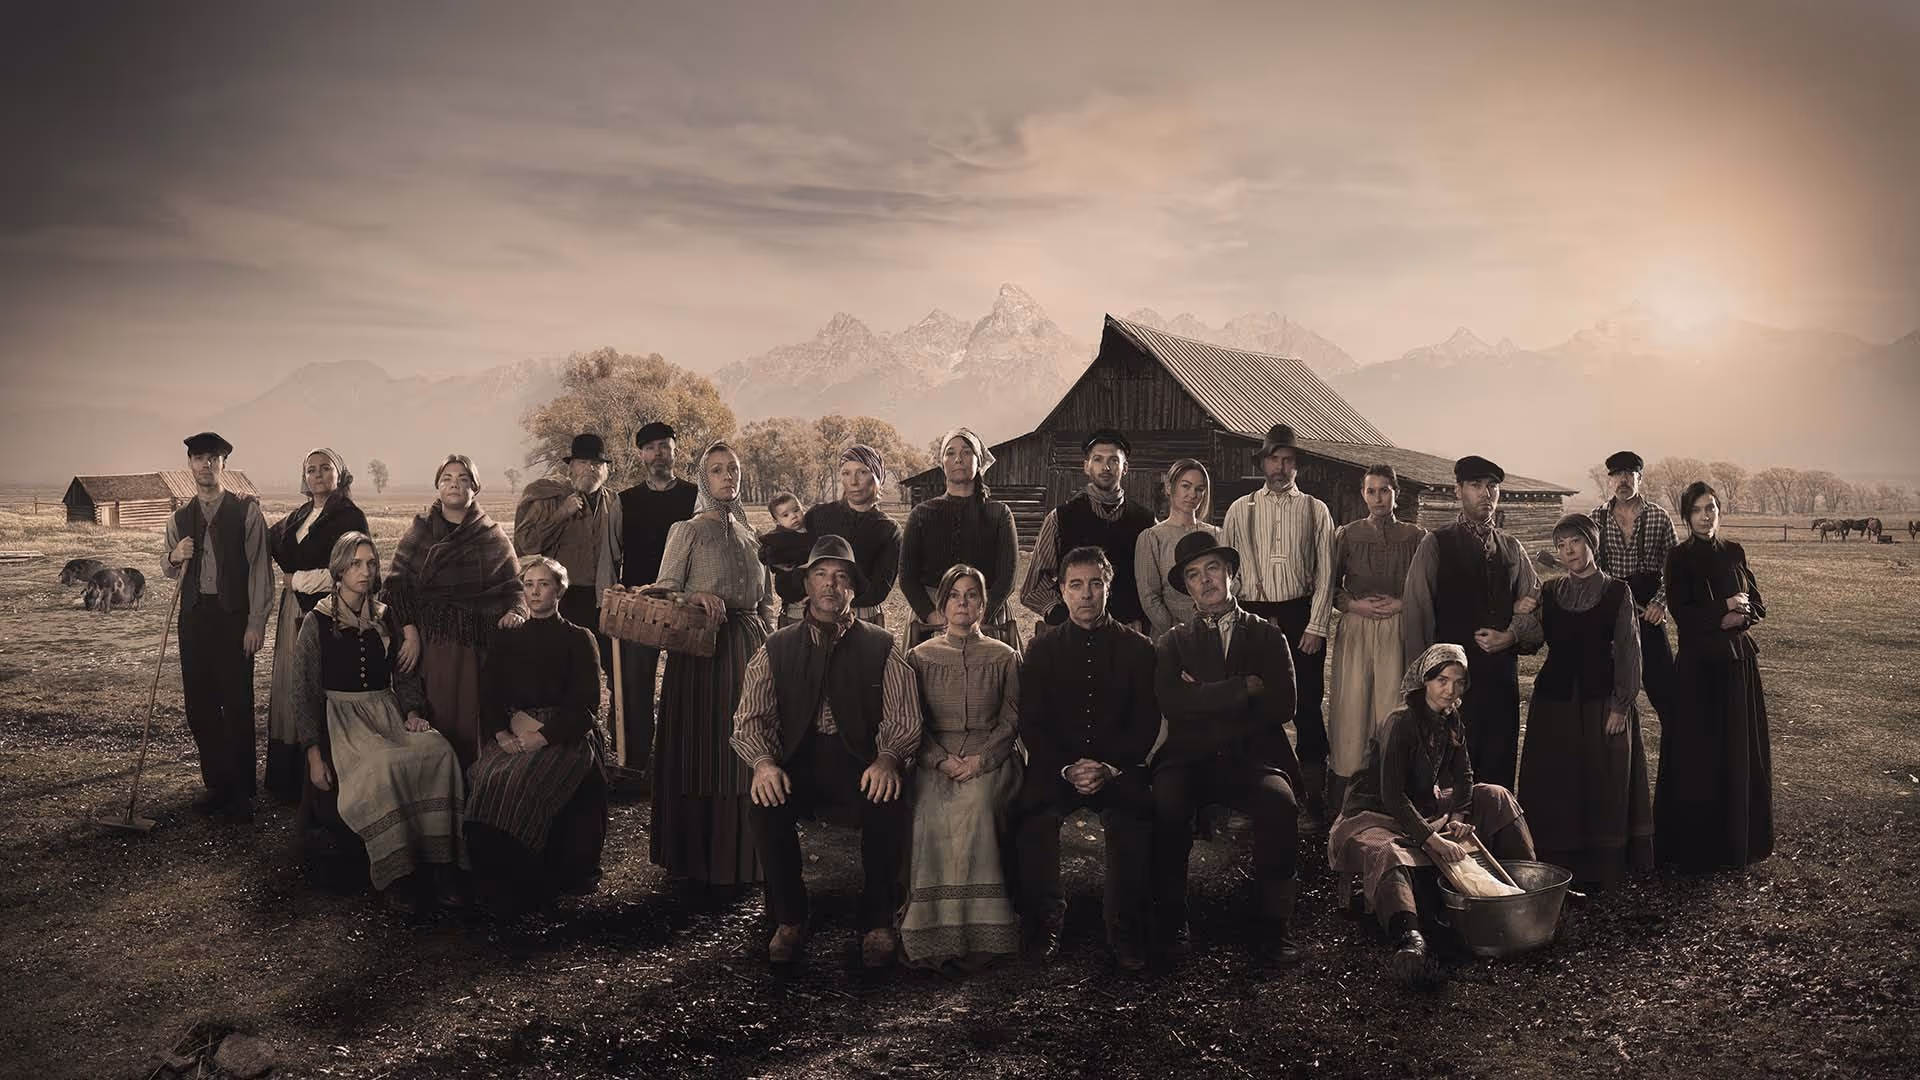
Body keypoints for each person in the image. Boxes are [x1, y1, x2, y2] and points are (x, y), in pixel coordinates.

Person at [731, 536, 922, 966]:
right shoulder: (776, 646)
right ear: (807, 585)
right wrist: (763, 764)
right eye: (820, 575)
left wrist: (888, 758)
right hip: (797, 760)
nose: (830, 585)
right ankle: (790, 917)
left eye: (840, 577)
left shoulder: (883, 646)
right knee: (764, 805)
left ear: (853, 588)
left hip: (860, 761)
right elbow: (750, 718)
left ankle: (877, 921)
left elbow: (904, 717)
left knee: (888, 799)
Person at [1328, 644, 1538, 987]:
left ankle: (1531, 889)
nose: (1450, 690)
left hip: (1425, 804)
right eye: (1442, 680)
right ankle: (1409, 937)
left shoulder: (1451, 719)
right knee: (1388, 851)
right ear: (1424, 681)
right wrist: (1435, 841)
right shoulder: (1400, 722)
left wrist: (1459, 816)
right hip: (1375, 813)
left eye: (1458, 682)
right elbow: (1392, 796)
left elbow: (1465, 776)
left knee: (1497, 795)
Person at [290, 532, 466, 912]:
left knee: (439, 750)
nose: (365, 571)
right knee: (382, 764)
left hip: (387, 711)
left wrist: (413, 713)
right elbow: (303, 693)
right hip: (344, 719)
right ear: (339, 570)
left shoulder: (385, 616)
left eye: (371, 563)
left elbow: (404, 676)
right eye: (355, 564)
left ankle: (442, 865)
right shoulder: (316, 622)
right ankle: (396, 874)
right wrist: (314, 755)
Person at [1151, 532, 1304, 963]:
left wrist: (1202, 694)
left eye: (1213, 569)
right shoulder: (1173, 642)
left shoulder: (1267, 636)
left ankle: (1273, 927)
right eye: (1193, 575)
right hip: (1188, 757)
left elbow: (1284, 704)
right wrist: (1241, 688)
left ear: (1230, 573)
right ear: (1186, 587)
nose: (1205, 581)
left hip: (1252, 758)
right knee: (1166, 804)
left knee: (1281, 805)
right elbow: (1172, 704)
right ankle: (1171, 922)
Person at [1009, 546, 1159, 971]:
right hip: (1058, 768)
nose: (1086, 594)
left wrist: (1108, 767)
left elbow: (1146, 721)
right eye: (1076, 585)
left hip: (1118, 767)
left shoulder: (1139, 648)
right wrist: (1068, 767)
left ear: (1109, 587)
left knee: (1132, 817)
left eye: (1096, 583)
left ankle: (1124, 926)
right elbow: (1032, 723)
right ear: (1062, 591)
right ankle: (1043, 921)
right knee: (1033, 816)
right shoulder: (1041, 649)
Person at [650, 441, 773, 890]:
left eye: (733, 469)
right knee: (702, 746)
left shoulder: (751, 535)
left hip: (750, 647)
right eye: (718, 470)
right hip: (700, 650)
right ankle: (695, 858)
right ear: (705, 478)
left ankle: (744, 857)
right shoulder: (687, 530)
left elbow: (766, 600)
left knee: (747, 742)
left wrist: (769, 642)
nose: (728, 477)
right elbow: (662, 591)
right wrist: (694, 596)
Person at [1515, 513, 1652, 889]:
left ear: (1591, 544)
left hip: (1600, 699)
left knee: (1600, 778)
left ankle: (1601, 865)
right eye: (1560, 545)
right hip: (1554, 700)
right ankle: (1555, 861)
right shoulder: (1549, 591)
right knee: (1556, 778)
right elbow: (1531, 642)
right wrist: (1521, 616)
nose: (1568, 551)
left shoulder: (1617, 592)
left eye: (1574, 541)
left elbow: (1629, 651)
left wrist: (1621, 705)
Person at [465, 556, 609, 913]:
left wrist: (543, 737)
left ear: (559, 590)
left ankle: (527, 880)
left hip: (564, 733)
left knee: (522, 781)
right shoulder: (509, 637)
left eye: (543, 584)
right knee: (485, 774)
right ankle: (492, 876)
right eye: (529, 585)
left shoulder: (578, 638)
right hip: (515, 729)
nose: (535, 592)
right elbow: (490, 693)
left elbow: (587, 705)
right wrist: (501, 733)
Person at [900, 564, 1023, 970]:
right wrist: (938, 758)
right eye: (954, 595)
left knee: (979, 805)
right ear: (942, 603)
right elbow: (911, 720)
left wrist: (982, 760)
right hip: (934, 756)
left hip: (990, 757)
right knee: (930, 807)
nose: (962, 603)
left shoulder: (1004, 656)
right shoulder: (919, 656)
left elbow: (1011, 719)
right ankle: (933, 930)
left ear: (983, 605)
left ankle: (984, 932)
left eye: (972, 595)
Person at [1401, 455, 1543, 791]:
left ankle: (1495, 825)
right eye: (1475, 485)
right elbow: (1417, 615)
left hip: (1500, 682)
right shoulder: (1436, 543)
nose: (1485, 493)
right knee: (1450, 775)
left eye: (1492, 486)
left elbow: (1536, 608)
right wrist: (1425, 688)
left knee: (1497, 772)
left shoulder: (1511, 548)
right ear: (1458, 491)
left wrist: (1511, 635)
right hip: (1452, 684)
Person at [1221, 424, 1337, 827]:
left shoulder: (1315, 510)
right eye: (1274, 459)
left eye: (1288, 460)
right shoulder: (1240, 509)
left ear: (1297, 465)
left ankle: (1311, 800)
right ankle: (1252, 797)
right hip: (1251, 615)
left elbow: (1327, 574)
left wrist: (1317, 626)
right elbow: (1228, 572)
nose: (1281, 467)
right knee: (1250, 706)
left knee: (1306, 706)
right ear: (1263, 463)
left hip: (1299, 615)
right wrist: (1232, 623)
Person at [381, 455, 528, 768]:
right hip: (429, 643)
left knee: (472, 722)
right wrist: (409, 632)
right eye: (447, 478)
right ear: (438, 486)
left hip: (474, 646)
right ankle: (436, 783)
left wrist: (517, 610)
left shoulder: (491, 535)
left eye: (463, 479)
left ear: (474, 487)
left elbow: (515, 587)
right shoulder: (420, 530)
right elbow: (396, 586)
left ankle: (474, 786)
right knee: (433, 720)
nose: (454, 484)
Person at [1658, 481, 1773, 871]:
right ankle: (1699, 844)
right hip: (1698, 668)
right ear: (1686, 516)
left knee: (1737, 749)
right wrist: (1723, 607)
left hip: (1738, 663)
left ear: (1719, 511)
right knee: (1701, 752)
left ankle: (1738, 839)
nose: (1706, 516)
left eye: (1711, 508)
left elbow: (1757, 604)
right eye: (1697, 510)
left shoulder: (1734, 551)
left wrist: (1739, 617)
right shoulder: (1678, 558)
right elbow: (1682, 614)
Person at [162, 431, 273, 821]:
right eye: (198, 458)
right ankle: (218, 785)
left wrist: (256, 622)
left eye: (213, 458)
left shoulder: (246, 512)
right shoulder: (179, 518)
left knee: (237, 704)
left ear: (223, 464)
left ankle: (242, 793)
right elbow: (168, 566)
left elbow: (260, 569)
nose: (205, 465)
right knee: (200, 706)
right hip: (194, 618)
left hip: (233, 618)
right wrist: (174, 556)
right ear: (190, 464)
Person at [265, 447, 369, 804]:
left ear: (339, 475)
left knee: (316, 683)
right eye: (311, 470)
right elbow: (269, 540)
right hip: (292, 610)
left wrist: (295, 581)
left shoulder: (349, 516)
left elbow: (348, 570)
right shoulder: (300, 515)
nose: (318, 475)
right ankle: (289, 778)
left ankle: (324, 774)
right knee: (293, 683)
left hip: (328, 612)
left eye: (325, 468)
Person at [600, 421, 699, 777]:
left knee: (687, 683)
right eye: (651, 447)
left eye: (665, 446)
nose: (659, 453)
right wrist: (608, 601)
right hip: (638, 604)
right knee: (635, 684)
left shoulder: (695, 496)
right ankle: (635, 763)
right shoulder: (625, 501)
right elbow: (610, 555)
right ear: (641, 454)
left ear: (675, 450)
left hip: (685, 602)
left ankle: (683, 760)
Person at [1325, 465, 1426, 813]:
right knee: (1351, 706)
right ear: (1363, 494)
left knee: (1391, 706)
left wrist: (1402, 603)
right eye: (1371, 491)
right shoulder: (1347, 535)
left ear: (1396, 494)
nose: (1378, 498)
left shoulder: (1415, 537)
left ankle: (1392, 798)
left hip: (1396, 626)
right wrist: (1354, 605)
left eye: (1385, 490)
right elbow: (1329, 586)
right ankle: (1348, 799)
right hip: (1356, 626)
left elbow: (1426, 585)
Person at [1019, 428, 1156, 635]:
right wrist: (1061, 615)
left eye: (1114, 460)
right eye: (1098, 459)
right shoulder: (1061, 518)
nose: (1106, 467)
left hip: (1130, 633)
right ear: (1086, 466)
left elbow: (1158, 582)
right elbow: (1033, 588)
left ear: (1125, 468)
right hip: (1075, 634)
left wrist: (1144, 620)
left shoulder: (1146, 520)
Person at [900, 427, 1021, 650]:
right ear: (942, 463)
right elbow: (907, 577)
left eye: (966, 452)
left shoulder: (999, 513)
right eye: (950, 452)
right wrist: (933, 617)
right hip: (931, 617)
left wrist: (980, 616)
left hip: (986, 615)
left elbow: (1007, 576)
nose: (958, 459)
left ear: (979, 461)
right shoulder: (921, 514)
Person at [512, 433, 617, 689]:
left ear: (605, 470)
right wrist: (561, 514)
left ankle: (609, 716)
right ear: (571, 468)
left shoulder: (614, 502)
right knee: (561, 672)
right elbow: (526, 544)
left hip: (604, 600)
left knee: (613, 671)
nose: (590, 469)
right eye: (583, 462)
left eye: (597, 464)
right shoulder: (549, 499)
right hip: (563, 600)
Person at [1591, 451, 1682, 740]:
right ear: (1609, 480)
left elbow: (1676, 569)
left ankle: (1678, 751)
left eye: (1629, 475)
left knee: (1665, 689)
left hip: (1649, 614)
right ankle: (1612, 752)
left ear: (1639, 478)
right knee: (1608, 688)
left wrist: (1660, 602)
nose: (1623, 481)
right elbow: (1591, 570)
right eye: (1617, 475)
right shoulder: (1596, 518)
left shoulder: (1659, 516)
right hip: (1611, 612)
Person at [801, 444, 901, 627]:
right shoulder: (818, 516)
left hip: (863, 618)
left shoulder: (888, 529)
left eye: (862, 472)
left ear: (877, 478)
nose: (853, 481)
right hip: (816, 614)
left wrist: (837, 602)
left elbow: (879, 590)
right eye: (846, 473)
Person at [1134, 458, 1218, 639]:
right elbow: (1149, 597)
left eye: (1199, 489)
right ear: (1169, 487)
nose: (1192, 494)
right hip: (1169, 635)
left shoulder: (1216, 534)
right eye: (1185, 486)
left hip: (1215, 632)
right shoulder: (1152, 538)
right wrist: (1178, 633)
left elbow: (1231, 585)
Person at [758, 491, 812, 627]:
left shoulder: (812, 531)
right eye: (785, 515)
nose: (793, 516)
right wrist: (776, 562)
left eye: (796, 510)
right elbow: (764, 553)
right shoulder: (778, 537)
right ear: (777, 521)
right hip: (790, 588)